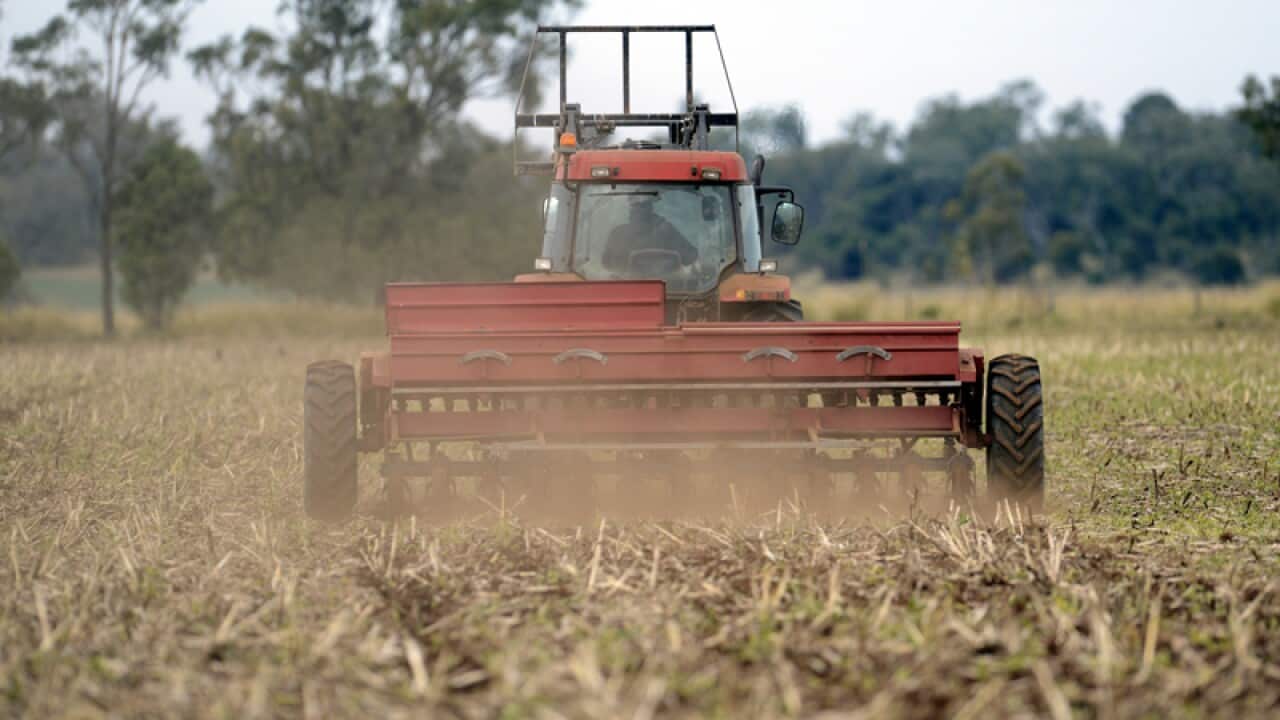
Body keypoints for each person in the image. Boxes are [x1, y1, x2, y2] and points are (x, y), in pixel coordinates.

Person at [602, 196, 697, 273]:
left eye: (639, 207)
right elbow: (690, 256)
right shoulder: (667, 229)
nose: (639, 210)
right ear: (651, 208)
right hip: (670, 290)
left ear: (631, 209)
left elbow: (606, 264)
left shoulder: (618, 233)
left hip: (629, 291)